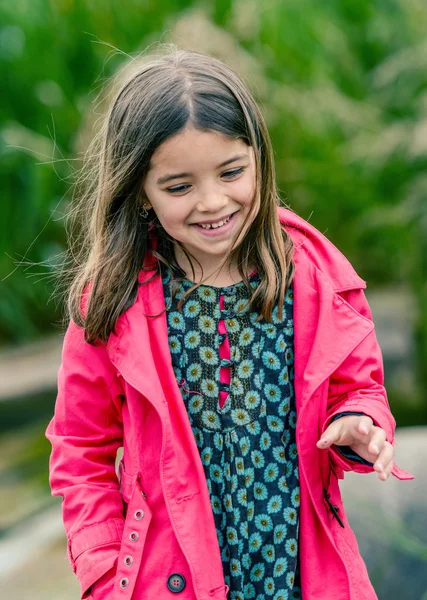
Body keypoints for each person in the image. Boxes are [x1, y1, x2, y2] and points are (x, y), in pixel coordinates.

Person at [45, 47, 413, 600]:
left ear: (259, 159)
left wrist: (359, 424)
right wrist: (101, 565)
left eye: (231, 172)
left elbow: (359, 387)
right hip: (168, 579)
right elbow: (80, 448)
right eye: (179, 186)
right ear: (138, 189)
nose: (213, 202)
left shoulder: (314, 276)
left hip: (297, 570)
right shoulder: (112, 301)